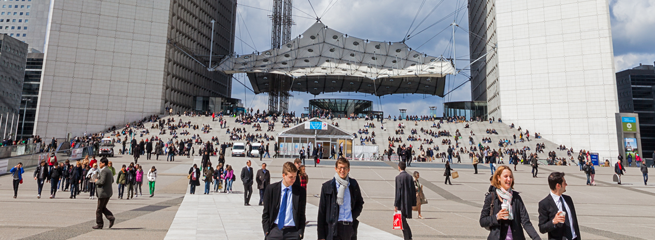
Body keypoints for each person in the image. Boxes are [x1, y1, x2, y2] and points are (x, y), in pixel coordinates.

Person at [480, 166, 541, 240]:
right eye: (506, 176)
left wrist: (536, 238)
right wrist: (497, 217)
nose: (509, 179)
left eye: (510, 177)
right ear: (499, 178)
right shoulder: (492, 197)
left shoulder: (516, 197)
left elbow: (526, 222)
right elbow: (482, 221)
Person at [317, 157, 365, 240]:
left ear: (348, 169)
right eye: (340, 168)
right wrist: (321, 236)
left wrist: (352, 216)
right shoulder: (327, 187)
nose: (342, 170)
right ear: (336, 169)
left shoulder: (353, 185)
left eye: (345, 168)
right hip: (334, 228)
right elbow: (322, 212)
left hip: (349, 228)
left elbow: (359, 203)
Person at [261, 162, 307, 240]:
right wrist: (267, 231)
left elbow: (302, 214)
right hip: (275, 230)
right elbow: (266, 213)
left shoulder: (300, 192)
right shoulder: (271, 189)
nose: (293, 180)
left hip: (293, 232)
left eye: (295, 177)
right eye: (291, 177)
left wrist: (300, 232)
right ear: (283, 175)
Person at [538, 172, 580, 240]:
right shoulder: (544, 204)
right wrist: (553, 222)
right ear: (558, 186)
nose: (566, 185)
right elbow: (542, 228)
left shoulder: (568, 199)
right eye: (564, 183)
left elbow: (574, 223)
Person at [394, 161, 416, 240]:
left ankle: (408, 237)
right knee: (403, 221)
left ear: (399, 167)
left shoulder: (398, 178)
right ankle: (408, 236)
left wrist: (396, 204)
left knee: (402, 222)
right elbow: (413, 191)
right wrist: (413, 203)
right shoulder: (410, 177)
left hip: (401, 203)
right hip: (408, 202)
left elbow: (398, 192)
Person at [92, 157, 115, 229]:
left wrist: (96, 181)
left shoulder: (104, 171)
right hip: (108, 193)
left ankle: (99, 224)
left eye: (100, 163)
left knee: (99, 210)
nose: (99, 164)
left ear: (103, 163)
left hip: (103, 193)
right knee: (103, 208)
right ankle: (110, 217)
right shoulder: (109, 170)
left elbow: (102, 182)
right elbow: (112, 180)